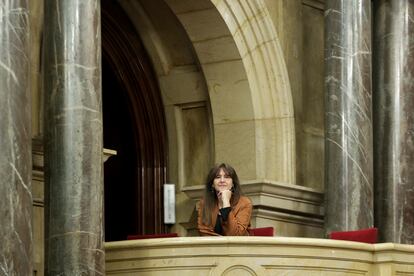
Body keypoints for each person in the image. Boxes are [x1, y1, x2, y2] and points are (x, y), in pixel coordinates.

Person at [197, 163, 252, 236]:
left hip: (237, 247)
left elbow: (235, 235)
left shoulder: (244, 203)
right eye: (218, 177)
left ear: (233, 183)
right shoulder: (204, 203)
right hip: (212, 246)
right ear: (212, 184)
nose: (222, 180)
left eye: (227, 177)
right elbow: (203, 232)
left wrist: (226, 203)